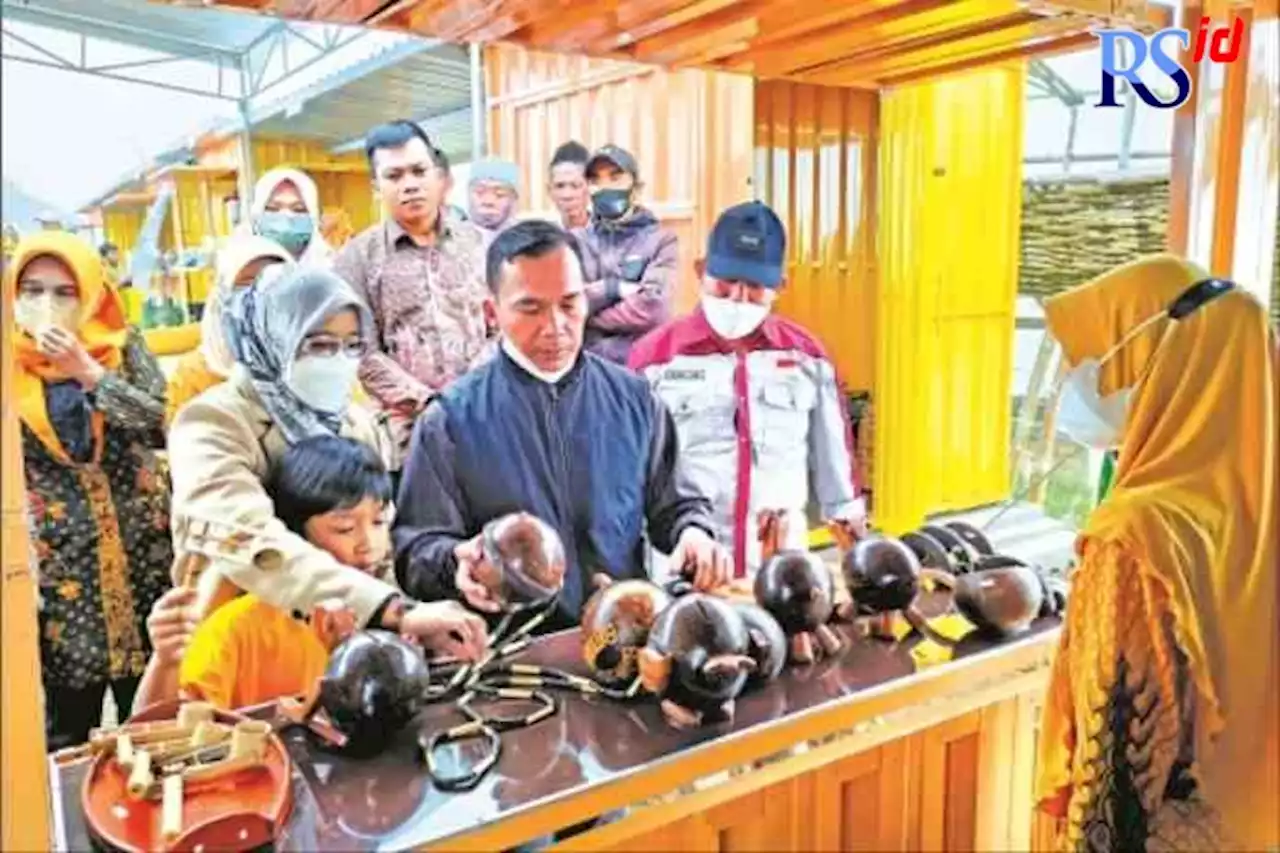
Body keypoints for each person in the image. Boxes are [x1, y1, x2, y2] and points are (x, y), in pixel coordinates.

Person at [1034, 255, 1278, 850]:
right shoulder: (1257, 508)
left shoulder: (1139, 537)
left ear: (1162, 362)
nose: (1080, 381)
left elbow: (1114, 775)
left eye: (1096, 358)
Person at [394, 220, 728, 630]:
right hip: (512, 658)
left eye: (570, 304)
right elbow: (415, 550)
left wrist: (693, 533)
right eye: (531, 308)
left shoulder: (634, 399)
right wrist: (454, 563)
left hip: (626, 641)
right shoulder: (450, 421)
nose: (555, 327)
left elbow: (676, 505)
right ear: (491, 312)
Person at [167, 266, 489, 660]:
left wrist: (410, 622)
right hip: (241, 648)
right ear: (273, 339)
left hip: (339, 641)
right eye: (319, 345)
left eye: (352, 345)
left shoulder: (355, 423)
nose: (338, 360)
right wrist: (390, 610)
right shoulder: (212, 424)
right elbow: (249, 540)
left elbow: (378, 545)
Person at [137, 435, 478, 711]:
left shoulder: (393, 608)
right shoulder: (237, 630)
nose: (369, 544)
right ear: (295, 536)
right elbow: (155, 734)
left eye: (379, 522)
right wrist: (166, 662)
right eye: (344, 528)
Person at [629, 202, 866, 580]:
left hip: (780, 572)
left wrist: (857, 550)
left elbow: (838, 478)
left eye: (755, 287)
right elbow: (631, 473)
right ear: (700, 270)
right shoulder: (653, 360)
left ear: (780, 287)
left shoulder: (808, 358)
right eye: (726, 281)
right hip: (688, 568)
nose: (738, 297)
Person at [7, 232, 172, 749]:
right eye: (31, 291)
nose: (46, 306)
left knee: (152, 711)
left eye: (64, 292)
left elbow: (157, 422)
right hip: (59, 573)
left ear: (91, 295)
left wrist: (90, 373)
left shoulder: (123, 345)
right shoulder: (9, 362)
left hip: (140, 554)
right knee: (65, 725)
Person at [333, 120, 492, 467]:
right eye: (394, 176)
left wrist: (474, 390)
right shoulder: (356, 259)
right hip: (409, 434)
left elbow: (501, 325)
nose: (409, 185)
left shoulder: (475, 243)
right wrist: (430, 403)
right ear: (376, 187)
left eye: (419, 171)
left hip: (487, 414)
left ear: (437, 175)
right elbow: (359, 351)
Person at [165, 236, 295, 423]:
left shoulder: (318, 358)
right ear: (223, 292)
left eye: (277, 281)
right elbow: (183, 443)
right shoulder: (195, 373)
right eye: (248, 283)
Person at [574, 144, 678, 364]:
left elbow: (655, 308)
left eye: (615, 178)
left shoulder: (661, 240)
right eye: (596, 181)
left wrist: (591, 317)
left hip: (641, 365)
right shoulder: (575, 241)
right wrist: (614, 288)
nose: (605, 188)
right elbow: (567, 303)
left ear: (636, 187)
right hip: (586, 368)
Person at [243, 167, 333, 267]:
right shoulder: (235, 269)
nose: (286, 217)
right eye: (272, 209)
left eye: (299, 209)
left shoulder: (330, 269)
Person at [467, 157, 521, 251]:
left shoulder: (526, 240)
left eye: (499, 195)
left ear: (514, 199)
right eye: (479, 192)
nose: (488, 201)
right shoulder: (448, 239)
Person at [548, 141, 590, 230]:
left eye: (575, 186)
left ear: (590, 188)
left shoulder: (609, 235)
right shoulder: (542, 236)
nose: (567, 195)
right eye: (559, 186)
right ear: (549, 190)